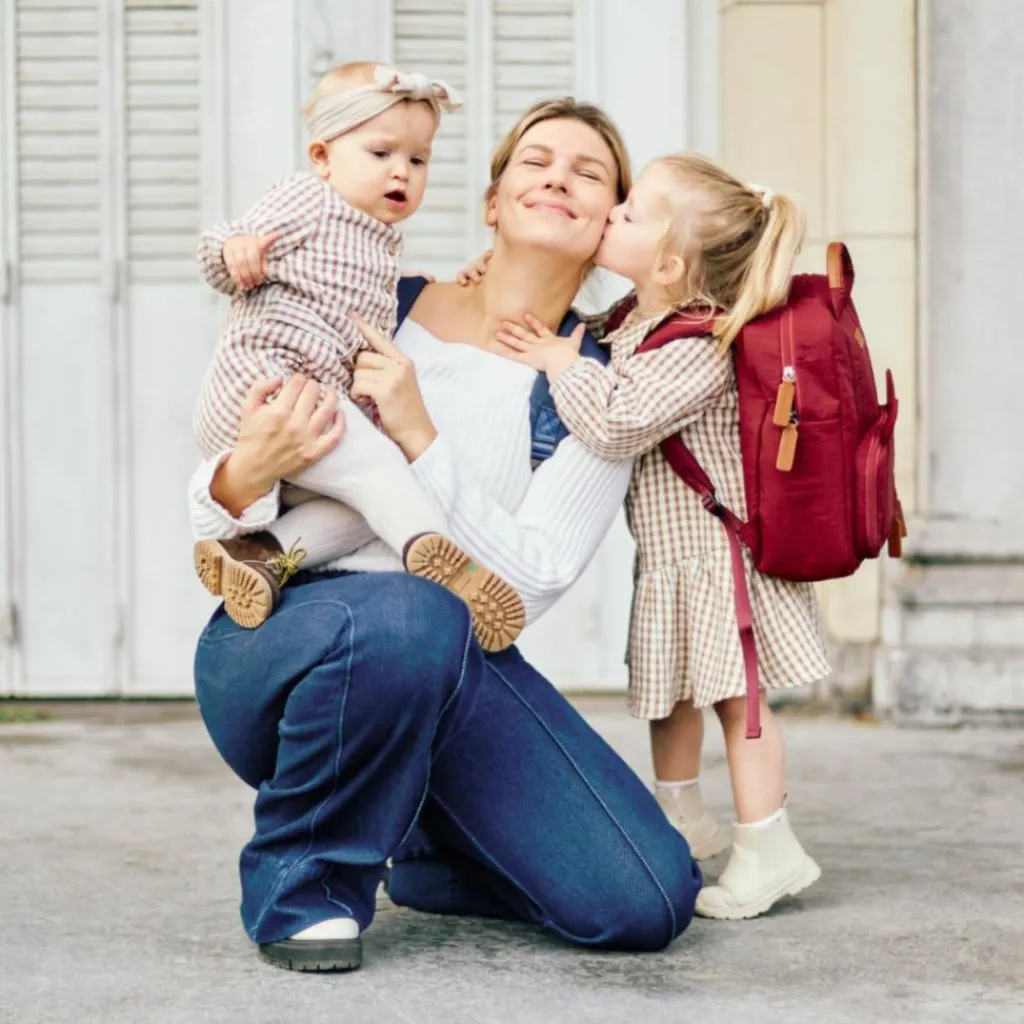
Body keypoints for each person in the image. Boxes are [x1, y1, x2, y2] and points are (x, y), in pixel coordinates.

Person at [189, 98, 702, 973]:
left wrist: (420, 433)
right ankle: (303, 891)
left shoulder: (591, 387)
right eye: (535, 161)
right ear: (494, 200)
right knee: (406, 611)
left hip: (456, 662)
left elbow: (530, 583)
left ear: (608, 226)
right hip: (285, 646)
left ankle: (426, 842)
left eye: (590, 174)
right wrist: (246, 469)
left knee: (647, 900)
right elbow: (211, 516)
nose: (559, 178)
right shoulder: (371, 302)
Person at [494, 153, 828, 921]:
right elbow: (592, 340)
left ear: (672, 263)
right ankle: (682, 815)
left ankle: (768, 846)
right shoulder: (638, 321)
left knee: (738, 705)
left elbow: (616, 425)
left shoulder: (698, 346)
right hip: (673, 559)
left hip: (722, 563)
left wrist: (556, 361)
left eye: (631, 213)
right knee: (668, 693)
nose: (611, 213)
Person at [191, 60, 523, 652]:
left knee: (360, 505)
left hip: (300, 401)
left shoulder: (375, 240)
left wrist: (465, 277)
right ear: (323, 157)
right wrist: (236, 250)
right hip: (269, 383)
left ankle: (262, 559)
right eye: (381, 154)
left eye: (417, 161)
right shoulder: (307, 200)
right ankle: (442, 562)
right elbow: (220, 245)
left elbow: (370, 296)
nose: (402, 172)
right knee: (384, 472)